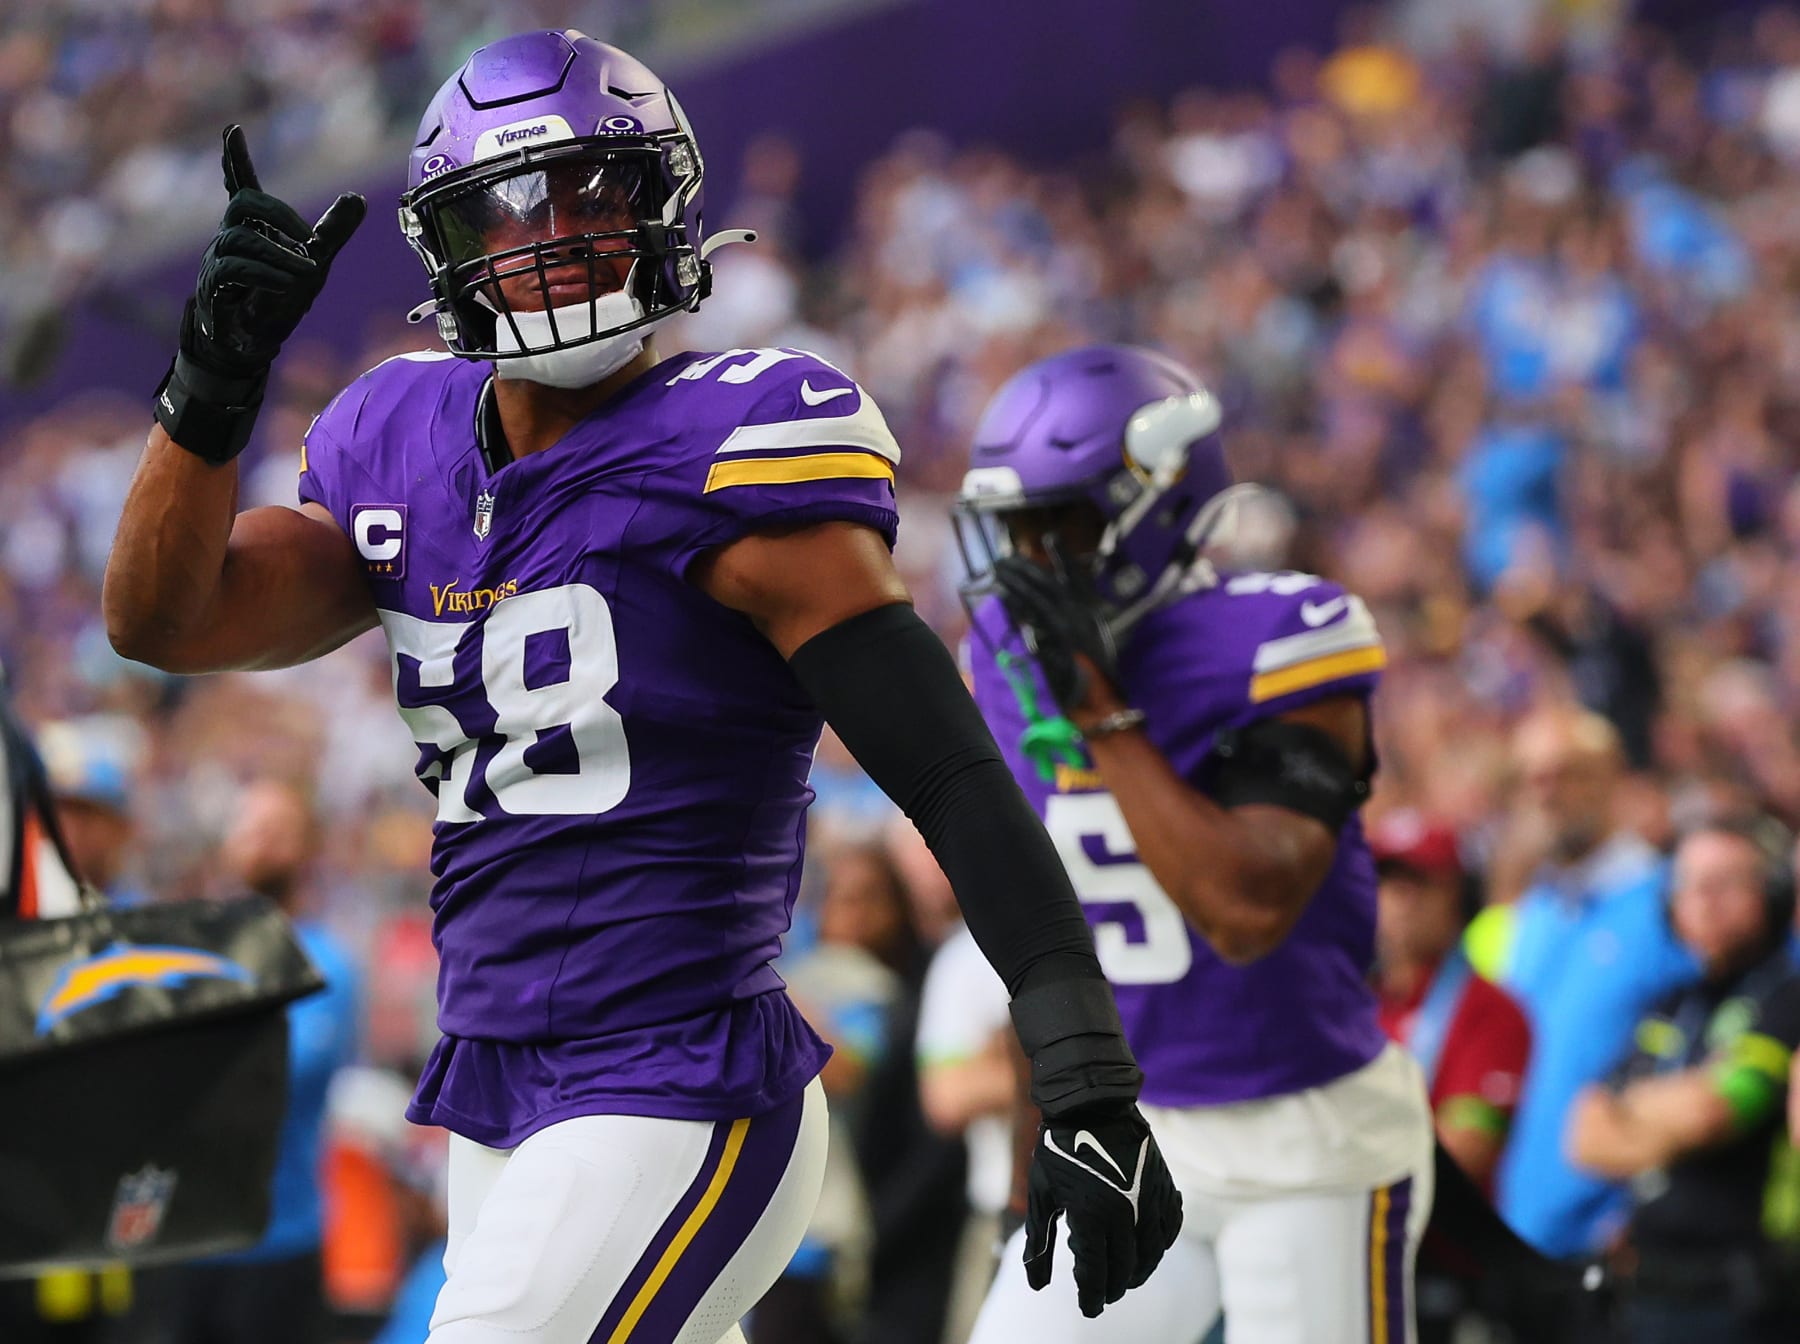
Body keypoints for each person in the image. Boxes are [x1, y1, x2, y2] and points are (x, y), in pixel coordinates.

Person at [101, 30, 1180, 1344]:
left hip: (684, 1085)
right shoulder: (396, 440)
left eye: (587, 200)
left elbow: (950, 770)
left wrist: (1081, 1064)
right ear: (446, 250)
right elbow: (165, 617)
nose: (551, 243)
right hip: (500, 1086)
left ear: (662, 210)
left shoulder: (735, 446)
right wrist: (207, 390)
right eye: (510, 214)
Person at [957, 345, 1435, 1344]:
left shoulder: (1286, 635)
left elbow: (1246, 911)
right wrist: (1018, 1182)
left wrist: (1099, 711)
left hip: (1302, 1133)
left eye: (1062, 523)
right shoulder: (1002, 653)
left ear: (1159, 504)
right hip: (1130, 1120)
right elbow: (1037, 930)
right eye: (1013, 530)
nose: (1029, 562)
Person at [125, 778, 361, 1344]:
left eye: (279, 830)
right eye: (251, 827)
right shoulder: (186, 951)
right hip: (180, 1245)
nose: (263, 842)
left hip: (279, 1246)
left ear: (307, 847)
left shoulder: (327, 964)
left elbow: (275, 1076)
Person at [1568, 817, 1800, 1343]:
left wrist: (1634, 1109)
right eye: (1690, 884)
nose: (1704, 900)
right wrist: (1669, 1110)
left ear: (1774, 891)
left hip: (1743, 1300)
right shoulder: (1672, 1003)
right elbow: (1585, 1134)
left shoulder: (1788, 999)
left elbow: (1713, 1112)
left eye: (1725, 883)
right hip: (1649, 1289)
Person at [1489, 706, 1695, 1259]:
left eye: (1565, 773)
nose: (1546, 794)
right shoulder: (1531, 916)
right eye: (1530, 778)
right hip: (1523, 1234)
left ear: (1613, 779)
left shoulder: (1672, 902)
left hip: (1621, 1246)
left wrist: (1643, 1208)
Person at [1370, 811, 1532, 1344]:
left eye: (1420, 882)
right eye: (1387, 881)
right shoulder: (1346, 1002)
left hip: (1440, 1276)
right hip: (1347, 1258)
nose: (1399, 900)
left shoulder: (1491, 1010)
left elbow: (1466, 1152)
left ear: (1462, 899)